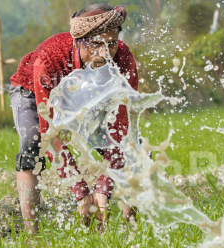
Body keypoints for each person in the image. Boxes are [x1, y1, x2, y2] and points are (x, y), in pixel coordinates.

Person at [9, 4, 137, 234]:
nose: (105, 53)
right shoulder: (48, 61)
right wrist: (80, 191)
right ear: (79, 42)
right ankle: (32, 237)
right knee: (32, 147)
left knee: (129, 148)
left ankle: (130, 228)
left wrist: (102, 187)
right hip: (32, 92)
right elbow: (52, 134)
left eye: (112, 44)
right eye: (96, 44)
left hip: (90, 98)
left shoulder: (123, 59)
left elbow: (119, 127)